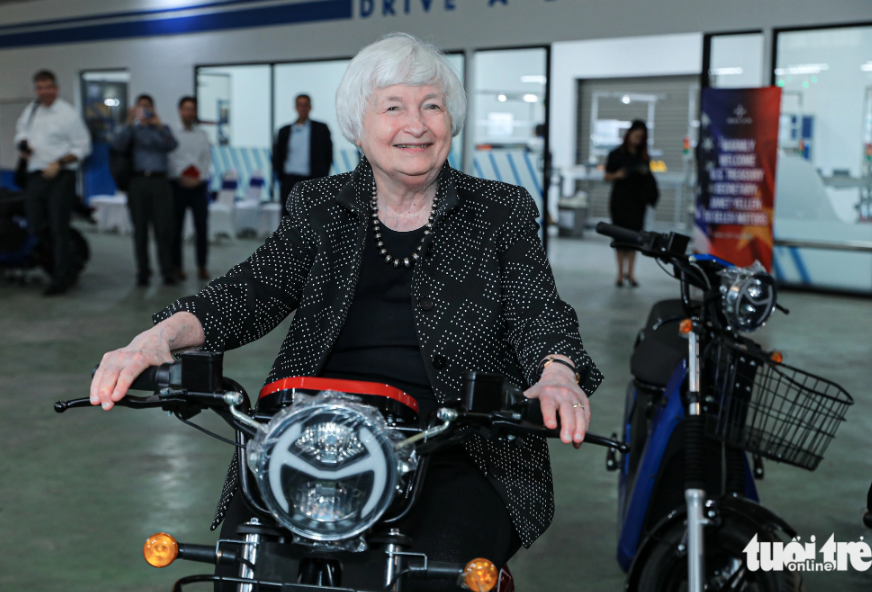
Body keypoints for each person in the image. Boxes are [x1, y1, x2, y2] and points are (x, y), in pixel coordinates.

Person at [90, 33, 601, 591]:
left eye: (432, 105)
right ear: (357, 126)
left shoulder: (499, 209)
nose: (417, 124)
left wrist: (557, 373)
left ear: (451, 120)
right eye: (393, 107)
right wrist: (157, 338)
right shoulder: (320, 204)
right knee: (248, 571)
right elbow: (253, 289)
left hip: (454, 441)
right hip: (310, 432)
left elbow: (537, 309)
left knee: (437, 573)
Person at [15, 69, 91, 296]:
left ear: (56, 88)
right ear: (36, 90)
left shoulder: (68, 114)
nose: (44, 92)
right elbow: (20, 133)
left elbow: (83, 147)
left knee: (58, 226)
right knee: (36, 223)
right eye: (40, 88)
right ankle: (67, 260)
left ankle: (61, 278)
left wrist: (59, 162)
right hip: (36, 174)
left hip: (61, 175)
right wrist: (23, 145)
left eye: (48, 87)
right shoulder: (32, 110)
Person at [112, 94, 179, 286]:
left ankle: (167, 270)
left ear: (154, 108)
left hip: (160, 182)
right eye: (140, 107)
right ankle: (143, 271)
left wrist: (157, 124)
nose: (144, 110)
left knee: (163, 229)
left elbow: (172, 145)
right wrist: (128, 122)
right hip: (138, 181)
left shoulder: (162, 129)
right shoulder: (131, 131)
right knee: (140, 229)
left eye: (147, 107)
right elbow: (118, 145)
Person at [603, 119, 659, 287]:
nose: (638, 140)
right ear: (629, 135)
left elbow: (649, 178)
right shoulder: (616, 154)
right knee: (620, 238)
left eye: (641, 137)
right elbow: (606, 176)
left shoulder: (643, 157)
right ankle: (620, 274)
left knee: (635, 238)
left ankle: (631, 273)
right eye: (636, 136)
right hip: (620, 201)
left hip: (637, 202)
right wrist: (618, 175)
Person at [168, 96, 211, 282]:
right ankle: (177, 266)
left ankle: (202, 266)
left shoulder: (202, 134)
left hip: (198, 186)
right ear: (179, 110)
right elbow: (169, 158)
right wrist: (181, 176)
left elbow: (205, 159)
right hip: (177, 185)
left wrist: (199, 178)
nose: (189, 113)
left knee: (201, 227)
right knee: (176, 228)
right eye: (186, 109)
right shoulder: (170, 132)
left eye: (192, 109)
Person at [272, 93, 333, 213]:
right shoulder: (284, 131)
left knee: (313, 214)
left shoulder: (321, 129)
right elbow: (277, 155)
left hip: (313, 179)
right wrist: (280, 177)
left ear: (310, 107)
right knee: (288, 215)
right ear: (295, 107)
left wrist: (323, 176)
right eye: (300, 105)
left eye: (305, 105)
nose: (302, 108)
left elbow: (328, 154)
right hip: (289, 179)